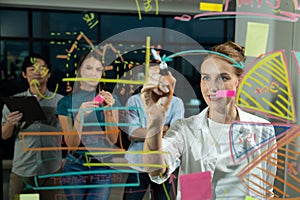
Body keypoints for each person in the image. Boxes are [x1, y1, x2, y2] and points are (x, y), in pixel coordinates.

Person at [141, 41, 277, 199]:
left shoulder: (262, 130)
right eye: (206, 78)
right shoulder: (185, 129)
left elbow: (266, 193)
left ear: (238, 81)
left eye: (223, 78)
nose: (213, 87)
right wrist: (155, 120)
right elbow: (155, 169)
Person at [56, 50, 120, 200]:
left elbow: (113, 140)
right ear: (79, 71)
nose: (94, 73)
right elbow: (72, 145)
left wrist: (109, 111)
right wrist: (80, 116)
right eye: (89, 68)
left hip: (102, 166)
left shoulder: (111, 99)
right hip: (75, 165)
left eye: (98, 69)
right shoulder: (65, 103)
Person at [1, 53, 63, 200]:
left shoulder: (61, 102)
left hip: (51, 170)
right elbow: (4, 135)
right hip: (23, 170)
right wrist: (10, 123)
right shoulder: (14, 102)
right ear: (24, 74)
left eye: (42, 68)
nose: (37, 71)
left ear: (48, 74)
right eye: (32, 68)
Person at [123, 70, 185, 200]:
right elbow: (133, 133)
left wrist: (148, 129)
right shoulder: (134, 101)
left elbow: (174, 135)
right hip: (138, 165)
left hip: (166, 164)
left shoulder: (177, 102)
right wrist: (163, 128)